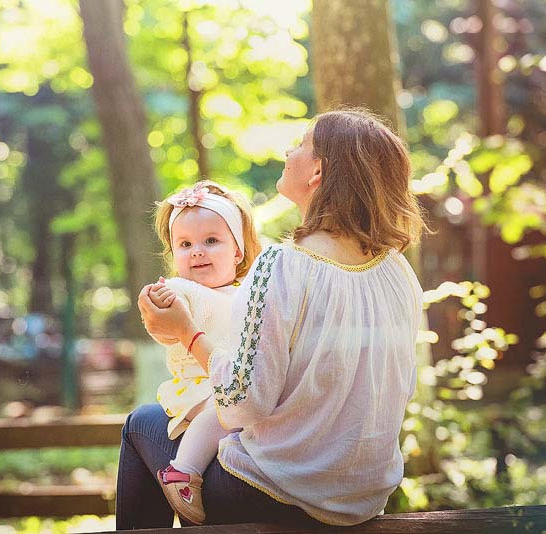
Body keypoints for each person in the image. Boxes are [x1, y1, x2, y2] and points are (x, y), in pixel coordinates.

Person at [122, 108, 427, 529]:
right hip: (362, 497)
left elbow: (242, 401)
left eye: (301, 144)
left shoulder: (281, 266)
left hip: (272, 495)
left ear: (317, 172)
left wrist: (186, 332)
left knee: (141, 422)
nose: (289, 151)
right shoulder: (397, 271)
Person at [146, 180, 262, 525]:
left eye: (211, 241)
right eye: (185, 244)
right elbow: (163, 323)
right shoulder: (181, 289)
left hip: (236, 383)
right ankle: (183, 471)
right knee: (223, 405)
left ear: (238, 251)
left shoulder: (245, 293)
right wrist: (157, 301)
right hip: (199, 387)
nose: (197, 251)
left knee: (237, 401)